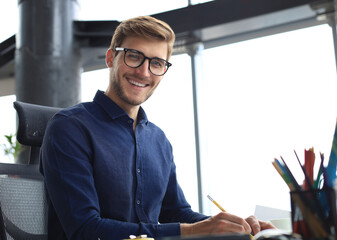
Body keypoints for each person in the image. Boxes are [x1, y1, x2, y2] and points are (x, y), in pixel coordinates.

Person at [40, 16, 274, 240]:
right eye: (134, 56)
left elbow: (178, 213)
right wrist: (191, 232)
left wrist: (234, 227)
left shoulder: (158, 140)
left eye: (156, 63)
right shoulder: (70, 128)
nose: (143, 72)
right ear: (111, 58)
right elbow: (86, 230)